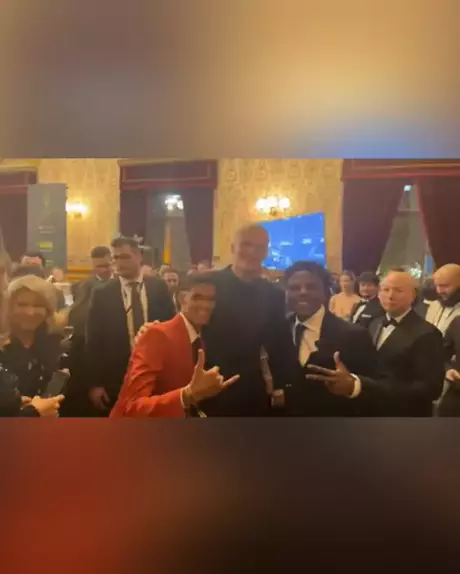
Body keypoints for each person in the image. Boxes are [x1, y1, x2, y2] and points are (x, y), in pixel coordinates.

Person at [308, 269, 445, 416]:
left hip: (403, 416)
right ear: (379, 293)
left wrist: (362, 385)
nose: (390, 296)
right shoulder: (374, 323)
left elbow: (431, 389)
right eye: (386, 289)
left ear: (413, 295)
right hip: (369, 411)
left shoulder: (427, 333)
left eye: (398, 290)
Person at [198, 223, 296, 417]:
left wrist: (284, 386)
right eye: (246, 244)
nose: (252, 252)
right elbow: (186, 326)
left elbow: (280, 345)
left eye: (259, 247)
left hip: (251, 389)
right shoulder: (208, 284)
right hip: (207, 383)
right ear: (232, 247)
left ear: (266, 252)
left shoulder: (274, 294)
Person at [111, 273, 239, 418]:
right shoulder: (157, 335)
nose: (205, 305)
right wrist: (186, 395)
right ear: (182, 298)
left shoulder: (202, 337)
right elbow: (132, 408)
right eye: (197, 297)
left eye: (210, 299)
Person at [85, 236, 175, 414]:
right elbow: (93, 340)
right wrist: (95, 383)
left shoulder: (158, 287)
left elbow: (171, 330)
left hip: (155, 373)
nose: (119, 263)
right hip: (116, 376)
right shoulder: (102, 293)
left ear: (139, 256)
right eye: (115, 258)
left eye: (125, 257)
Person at [281, 261, 380, 416]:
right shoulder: (278, 329)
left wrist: (353, 386)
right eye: (294, 288)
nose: (303, 292)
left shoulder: (353, 335)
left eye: (311, 287)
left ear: (325, 292)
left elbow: (377, 386)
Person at [0, 275, 66, 413]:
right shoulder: (3, 345)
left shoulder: (58, 343)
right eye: (22, 304)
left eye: (38, 305)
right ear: (9, 307)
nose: (30, 312)